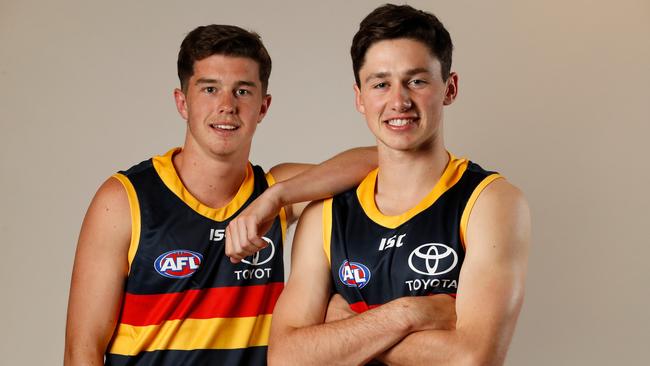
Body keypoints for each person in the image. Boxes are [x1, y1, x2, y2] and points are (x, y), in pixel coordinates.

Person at [64, 24, 377, 365]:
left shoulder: (272, 192)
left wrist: (275, 198)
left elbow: (383, 161)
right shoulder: (125, 200)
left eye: (243, 91)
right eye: (210, 89)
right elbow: (83, 350)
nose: (227, 105)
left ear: (263, 106)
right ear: (182, 103)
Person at [268, 4, 531, 365]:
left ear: (449, 88)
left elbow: (474, 358)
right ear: (360, 97)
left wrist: (347, 327)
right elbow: (288, 358)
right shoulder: (326, 212)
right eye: (380, 84)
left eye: (417, 81)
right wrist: (409, 314)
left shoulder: (490, 202)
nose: (399, 101)